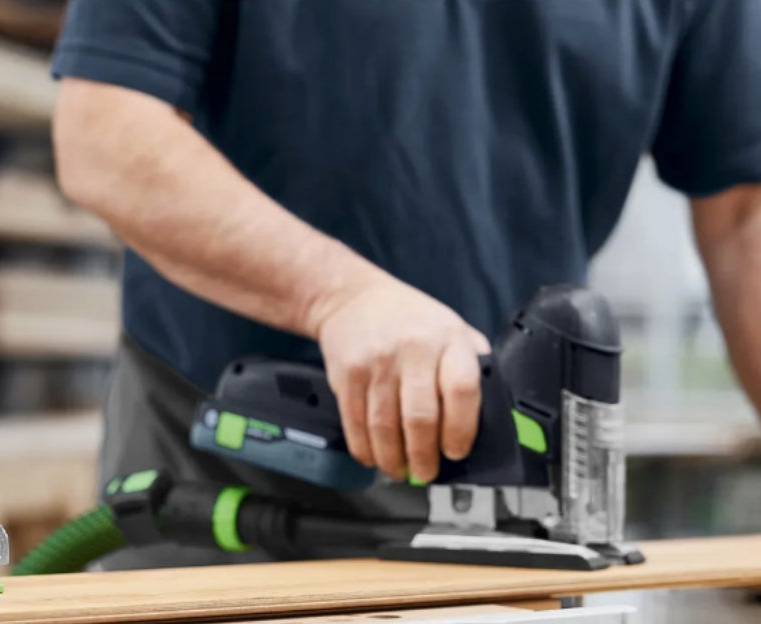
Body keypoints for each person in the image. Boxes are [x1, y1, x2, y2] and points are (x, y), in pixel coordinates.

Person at [50, 0, 761, 568]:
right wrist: (337, 295)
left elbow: (741, 218)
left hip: (512, 480)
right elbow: (106, 131)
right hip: (223, 460)